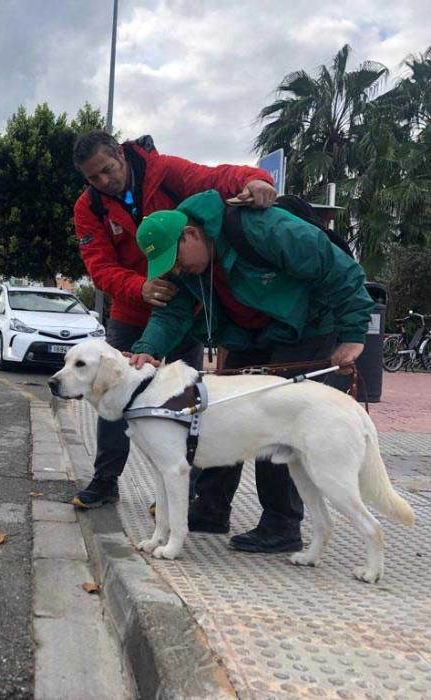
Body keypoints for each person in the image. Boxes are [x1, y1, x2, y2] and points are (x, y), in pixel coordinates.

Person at [129, 189, 372, 553]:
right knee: (220, 410)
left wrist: (353, 333)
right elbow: (173, 312)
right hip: (248, 333)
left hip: (305, 324)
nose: (176, 272)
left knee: (275, 417)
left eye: (176, 260)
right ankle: (211, 508)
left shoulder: (263, 228)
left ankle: (281, 524)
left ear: (192, 234)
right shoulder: (188, 269)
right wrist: (147, 350)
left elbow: (336, 266)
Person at [71, 130, 277, 508]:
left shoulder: (164, 171)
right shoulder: (89, 209)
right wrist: (139, 287)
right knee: (111, 394)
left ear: (119, 153)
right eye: (93, 178)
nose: (104, 182)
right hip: (132, 312)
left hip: (187, 310)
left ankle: (182, 491)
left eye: (107, 170)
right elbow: (98, 266)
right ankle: (105, 480)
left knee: (187, 402)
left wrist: (256, 179)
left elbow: (213, 179)